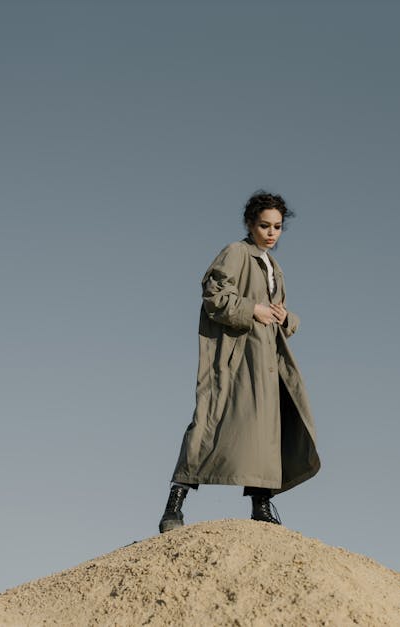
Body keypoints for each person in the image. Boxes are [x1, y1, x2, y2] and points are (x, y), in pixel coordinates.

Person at [158, 191, 321, 533]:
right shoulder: (236, 252)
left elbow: (277, 318)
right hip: (236, 358)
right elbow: (214, 295)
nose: (271, 233)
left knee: (267, 430)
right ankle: (175, 503)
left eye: (277, 227)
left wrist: (285, 316)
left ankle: (260, 504)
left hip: (268, 361)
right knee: (210, 419)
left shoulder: (274, 266)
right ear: (250, 224)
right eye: (265, 225)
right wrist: (253, 309)